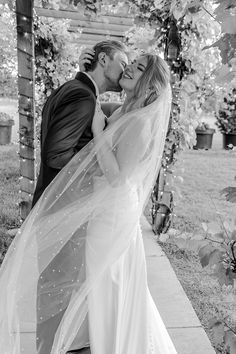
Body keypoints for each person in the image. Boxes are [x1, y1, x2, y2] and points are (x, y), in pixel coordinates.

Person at [0, 53, 177, 354]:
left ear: (150, 84)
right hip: (102, 207)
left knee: (107, 279)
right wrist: (86, 76)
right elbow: (92, 112)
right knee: (98, 280)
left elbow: (119, 178)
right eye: (130, 63)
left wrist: (98, 131)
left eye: (138, 68)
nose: (130, 68)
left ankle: (116, 344)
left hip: (113, 212)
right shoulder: (125, 110)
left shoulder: (141, 123)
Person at [32, 40, 128, 207]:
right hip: (63, 207)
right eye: (123, 64)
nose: (125, 71)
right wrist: (101, 167)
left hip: (55, 203)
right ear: (103, 59)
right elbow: (55, 156)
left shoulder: (78, 90)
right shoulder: (82, 96)